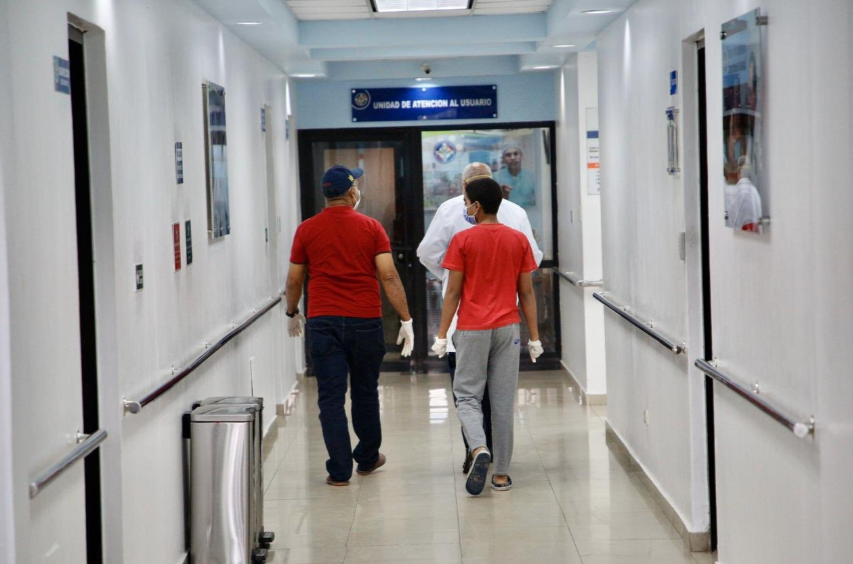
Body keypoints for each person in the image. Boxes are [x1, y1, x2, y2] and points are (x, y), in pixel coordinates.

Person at [285, 165, 415, 486]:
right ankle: (368, 458)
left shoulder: (306, 230)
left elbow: (294, 278)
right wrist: (406, 318)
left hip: (323, 321)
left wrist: (292, 312)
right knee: (365, 391)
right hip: (365, 321)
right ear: (352, 192)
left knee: (330, 398)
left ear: (326, 194)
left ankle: (339, 471)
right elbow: (388, 275)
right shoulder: (371, 228)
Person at [417, 162, 543, 474]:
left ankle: (477, 449)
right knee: (501, 403)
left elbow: (451, 291)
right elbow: (527, 289)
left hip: (471, 327)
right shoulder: (518, 234)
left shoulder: (463, 237)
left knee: (467, 397)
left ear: (473, 200)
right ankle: (501, 474)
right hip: (508, 326)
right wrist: (536, 337)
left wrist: (442, 333)